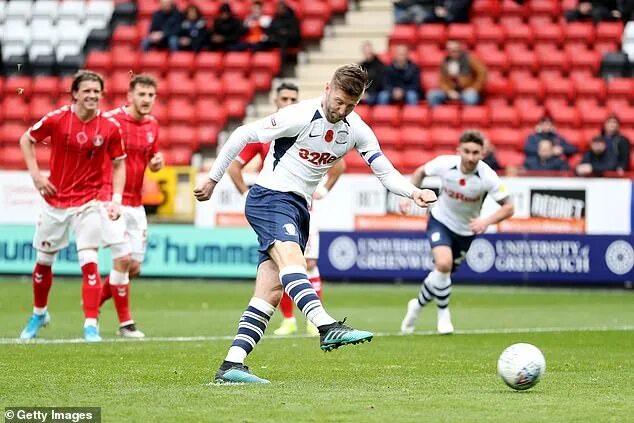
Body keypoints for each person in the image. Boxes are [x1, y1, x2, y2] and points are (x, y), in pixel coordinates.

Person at [194, 64, 437, 384]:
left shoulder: (356, 128)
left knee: (269, 292)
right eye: (339, 101)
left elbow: (385, 171)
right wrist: (213, 179)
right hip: (270, 198)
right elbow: (242, 134)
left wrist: (414, 191)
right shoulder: (299, 115)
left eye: (352, 104)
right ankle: (326, 326)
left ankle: (231, 366)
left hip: (298, 208)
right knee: (295, 263)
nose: (343, 109)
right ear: (327, 88)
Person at [226, 82, 345, 337]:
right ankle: (292, 319)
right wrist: (247, 194)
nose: (289, 104)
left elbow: (339, 165)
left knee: (307, 263)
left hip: (303, 206)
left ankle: (314, 321)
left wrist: (322, 190)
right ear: (275, 102)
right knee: (283, 267)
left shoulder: (309, 125)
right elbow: (234, 167)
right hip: (274, 206)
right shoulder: (266, 133)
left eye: (294, 99)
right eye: (285, 99)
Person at [18, 70, 126, 342]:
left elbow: (119, 162)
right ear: (75, 93)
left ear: (102, 94)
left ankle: (91, 324)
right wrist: (36, 175)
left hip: (88, 202)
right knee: (44, 262)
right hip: (54, 200)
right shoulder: (58, 119)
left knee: (89, 259)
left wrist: (115, 199)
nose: (92, 95)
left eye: (96, 91)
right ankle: (39, 313)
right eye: (86, 90)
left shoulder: (110, 127)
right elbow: (26, 139)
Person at [399, 130, 514, 335]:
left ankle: (416, 306)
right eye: (467, 151)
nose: (471, 157)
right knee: (443, 264)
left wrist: (485, 221)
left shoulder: (487, 176)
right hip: (440, 221)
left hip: (465, 232)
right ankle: (443, 315)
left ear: (483, 153)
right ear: (459, 150)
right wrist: (409, 195)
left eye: (475, 153)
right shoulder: (445, 164)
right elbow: (420, 172)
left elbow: (509, 207)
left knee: (441, 276)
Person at [98, 74, 164, 339]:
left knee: (133, 267)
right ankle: (126, 324)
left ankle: (93, 301)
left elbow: (152, 159)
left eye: (151, 95)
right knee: (122, 260)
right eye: (142, 94)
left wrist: (156, 163)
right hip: (112, 199)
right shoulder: (112, 121)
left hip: (137, 204)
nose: (146, 100)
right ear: (130, 96)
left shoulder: (153, 125)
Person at [426, 40, 487, 108]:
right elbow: (442, 81)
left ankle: (468, 116)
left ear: (459, 49)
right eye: (449, 49)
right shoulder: (445, 62)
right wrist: (449, 91)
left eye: (454, 49)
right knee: (432, 95)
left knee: (470, 97)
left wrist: (474, 88)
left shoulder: (470, 59)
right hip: (451, 91)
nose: (452, 51)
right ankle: (440, 115)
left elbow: (482, 73)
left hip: (467, 90)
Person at [359, 41, 385, 106]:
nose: (367, 53)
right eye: (365, 51)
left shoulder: (380, 65)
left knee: (382, 97)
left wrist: (368, 93)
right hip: (365, 93)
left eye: (369, 51)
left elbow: (379, 83)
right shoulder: (361, 66)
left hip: (377, 92)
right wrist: (362, 93)